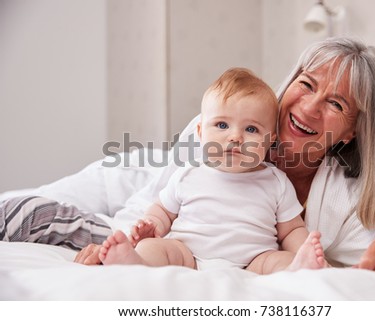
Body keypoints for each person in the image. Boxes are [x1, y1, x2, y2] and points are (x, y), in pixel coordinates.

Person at [0, 37, 375, 277]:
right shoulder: (226, 127)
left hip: (230, 245)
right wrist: (122, 239)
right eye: (307, 84)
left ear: (353, 130)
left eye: (337, 104)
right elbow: (151, 203)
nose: (309, 107)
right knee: (42, 203)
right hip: (152, 177)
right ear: (288, 84)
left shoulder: (348, 199)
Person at [99, 68, 326, 273]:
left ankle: (300, 269)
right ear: (200, 132)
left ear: (270, 140)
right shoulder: (189, 173)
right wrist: (150, 226)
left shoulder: (276, 181)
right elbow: (162, 211)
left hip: (253, 262)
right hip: (189, 255)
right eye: (222, 125)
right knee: (154, 247)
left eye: (251, 129)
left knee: (279, 260)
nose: (235, 137)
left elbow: (291, 230)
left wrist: (302, 250)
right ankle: (136, 263)